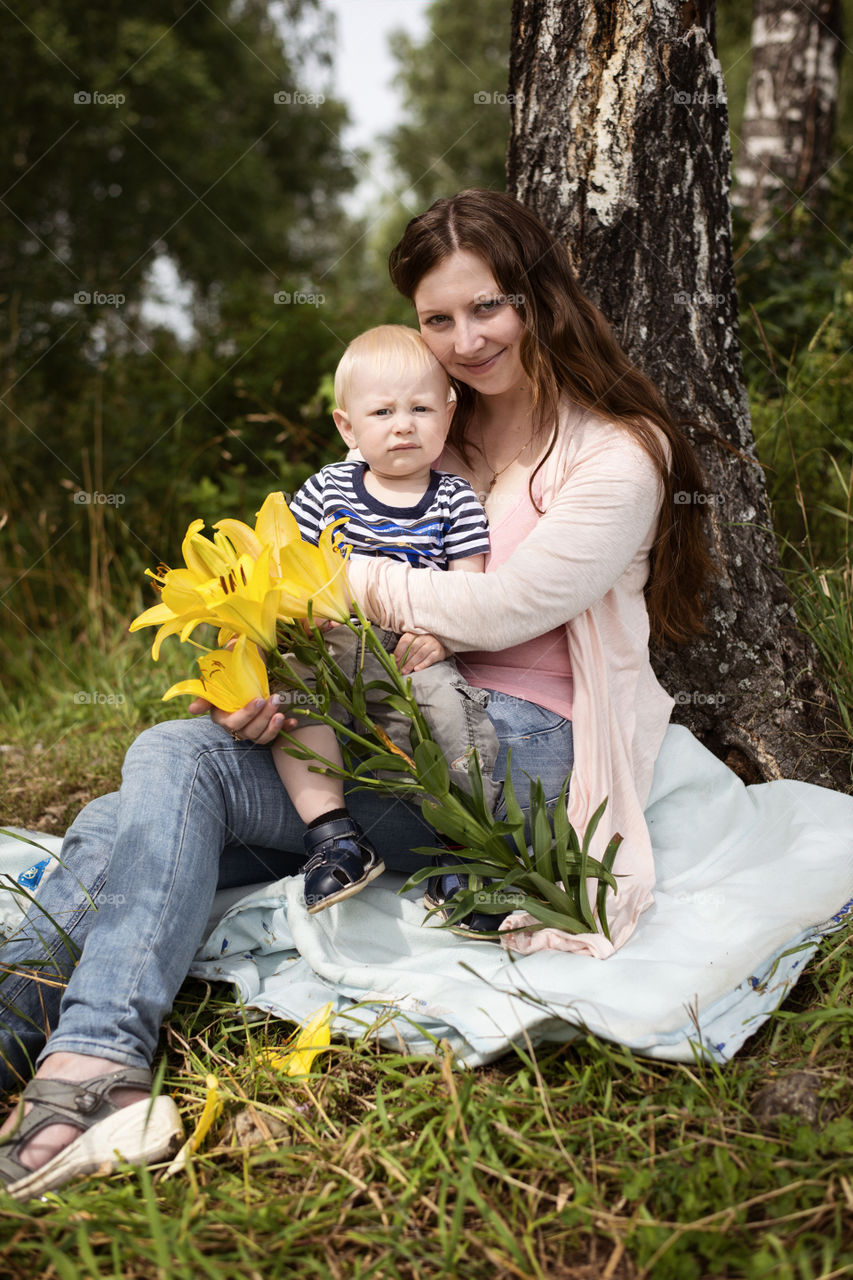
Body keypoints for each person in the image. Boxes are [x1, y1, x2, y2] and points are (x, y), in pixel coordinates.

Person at [0, 188, 712, 1198]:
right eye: (437, 318)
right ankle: (47, 1052)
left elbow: (502, 605)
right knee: (141, 804)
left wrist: (318, 579)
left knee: (170, 768)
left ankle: (93, 1063)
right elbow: (298, 596)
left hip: (511, 749)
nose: (463, 340)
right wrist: (264, 691)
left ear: (540, 299)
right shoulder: (415, 439)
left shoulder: (616, 452)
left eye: (489, 306)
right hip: (371, 724)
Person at [272, 323, 499, 914]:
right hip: (333, 635)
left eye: (421, 408)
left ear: (448, 416)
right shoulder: (327, 490)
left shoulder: (455, 499)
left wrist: (443, 637)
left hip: (413, 649)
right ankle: (332, 836)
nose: (403, 424)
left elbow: (467, 591)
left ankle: (463, 847)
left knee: (452, 716)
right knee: (294, 692)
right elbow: (287, 568)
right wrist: (301, 615)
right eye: (382, 411)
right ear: (348, 426)